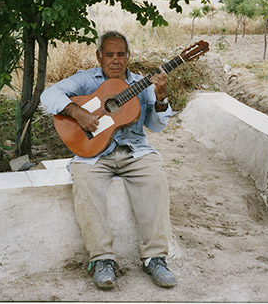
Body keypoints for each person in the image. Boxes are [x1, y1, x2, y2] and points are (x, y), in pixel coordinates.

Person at [40, 31, 178, 289]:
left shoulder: (141, 84)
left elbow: (156, 126)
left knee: (155, 177)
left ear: (128, 57)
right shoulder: (86, 79)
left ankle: (155, 258)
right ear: (99, 56)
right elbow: (49, 96)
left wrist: (161, 97)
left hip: (134, 151)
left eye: (121, 54)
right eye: (110, 54)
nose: (115, 60)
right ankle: (102, 260)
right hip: (95, 154)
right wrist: (78, 113)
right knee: (84, 182)